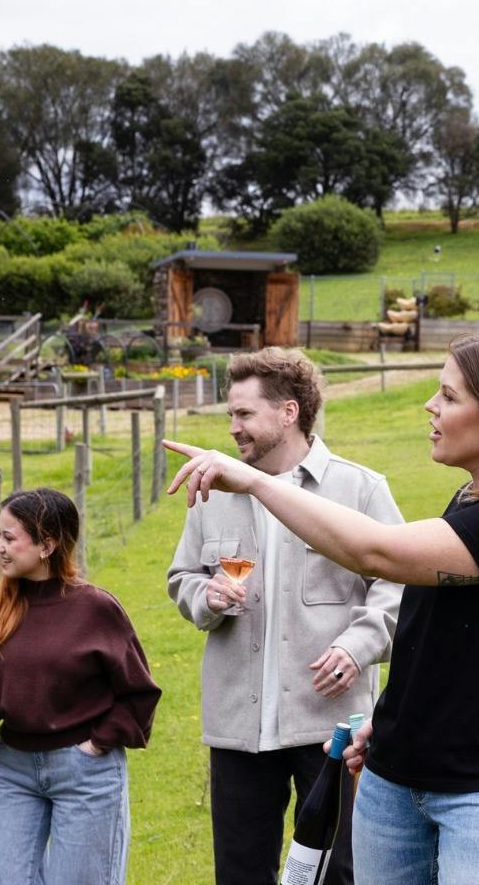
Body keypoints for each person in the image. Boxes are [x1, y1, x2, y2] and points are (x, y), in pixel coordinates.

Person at [166, 327, 479, 885]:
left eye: (450, 396)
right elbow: (438, 642)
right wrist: (387, 723)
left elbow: (375, 553)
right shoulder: (466, 502)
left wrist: (256, 484)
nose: (430, 405)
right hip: (398, 778)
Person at [165, 347, 404, 885]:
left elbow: (397, 584)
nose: (232, 428)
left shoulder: (360, 488)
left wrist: (356, 646)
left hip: (331, 728)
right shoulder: (213, 491)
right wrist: (207, 597)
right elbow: (182, 578)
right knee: (241, 873)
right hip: (238, 728)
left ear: (289, 412)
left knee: (335, 873)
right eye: (231, 415)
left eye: (244, 414)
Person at [0, 487, 161, 885]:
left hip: (85, 772)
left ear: (47, 544)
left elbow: (138, 693)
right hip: (13, 770)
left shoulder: (96, 609)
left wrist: (96, 744)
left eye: (9, 538)